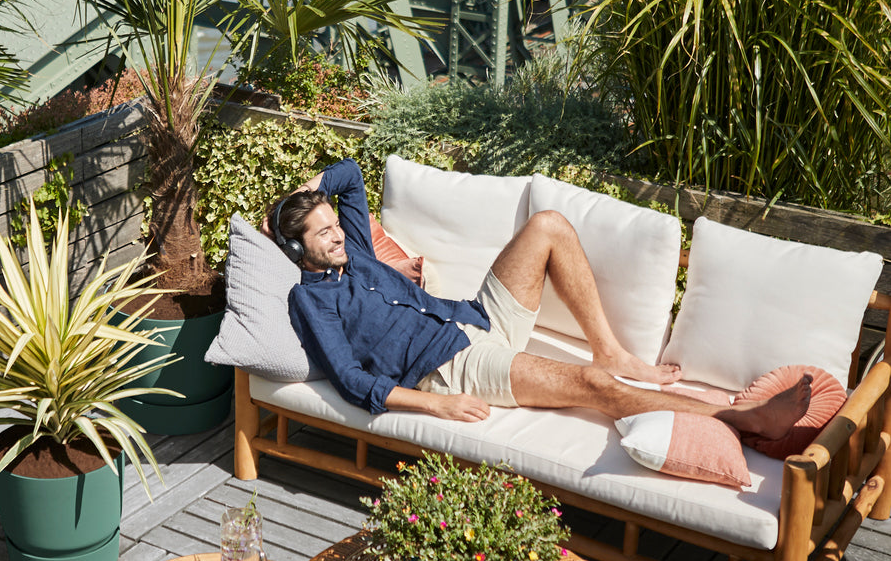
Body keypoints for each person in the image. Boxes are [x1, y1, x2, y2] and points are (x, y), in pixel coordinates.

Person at [264, 159, 811, 441]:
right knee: (593, 387)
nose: (338, 235)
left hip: (471, 317)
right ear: (296, 250)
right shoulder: (311, 301)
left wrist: (304, 196)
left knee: (548, 225)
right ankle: (744, 419)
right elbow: (352, 381)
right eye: (323, 234)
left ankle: (612, 350)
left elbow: (350, 176)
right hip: (452, 366)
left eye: (335, 224)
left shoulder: (354, 250)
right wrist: (435, 404)